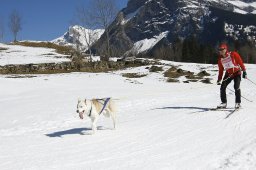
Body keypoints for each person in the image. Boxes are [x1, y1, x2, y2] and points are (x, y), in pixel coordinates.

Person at [217, 43, 247, 109]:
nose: (221, 51)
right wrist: (219, 79)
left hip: (237, 73)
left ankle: (238, 103)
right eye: (219, 49)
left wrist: (244, 71)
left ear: (225, 49)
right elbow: (221, 70)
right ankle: (224, 103)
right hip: (228, 74)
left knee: (236, 86)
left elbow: (240, 62)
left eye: (222, 49)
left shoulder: (233, 54)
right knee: (222, 87)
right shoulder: (220, 59)